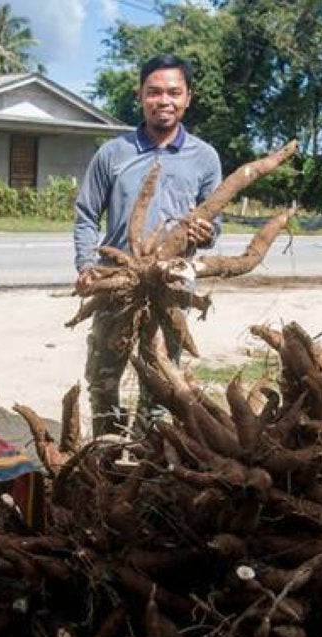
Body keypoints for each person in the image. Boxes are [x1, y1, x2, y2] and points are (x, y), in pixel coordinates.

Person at [73, 53, 223, 436]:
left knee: (159, 383)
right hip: (116, 284)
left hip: (171, 288)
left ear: (188, 97)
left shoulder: (205, 158)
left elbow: (214, 223)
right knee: (103, 382)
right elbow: (87, 214)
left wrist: (207, 233)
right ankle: (104, 456)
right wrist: (86, 264)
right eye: (154, 92)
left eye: (174, 92)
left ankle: (146, 458)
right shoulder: (112, 153)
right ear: (140, 95)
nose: (164, 100)